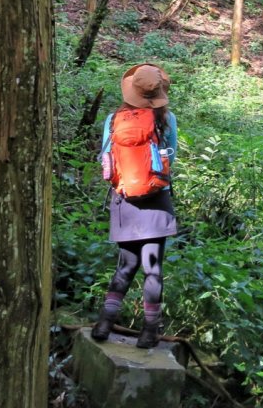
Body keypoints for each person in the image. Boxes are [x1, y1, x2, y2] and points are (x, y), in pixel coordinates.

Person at [90, 63, 178, 349]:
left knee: (126, 265)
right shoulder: (167, 120)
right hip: (157, 201)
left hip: (124, 199)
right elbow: (170, 159)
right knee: (152, 268)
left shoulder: (113, 119)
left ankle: (104, 322)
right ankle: (149, 332)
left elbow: (104, 159)